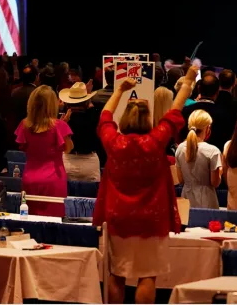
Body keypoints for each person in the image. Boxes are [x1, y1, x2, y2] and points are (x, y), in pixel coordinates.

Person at [94, 66, 196, 304]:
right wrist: (189, 80)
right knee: (147, 276)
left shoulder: (114, 143)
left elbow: (105, 117)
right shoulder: (155, 141)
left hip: (119, 218)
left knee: (116, 275)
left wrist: (119, 90)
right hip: (151, 220)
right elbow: (175, 110)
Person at [15, 85, 73, 217]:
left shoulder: (24, 124)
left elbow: (25, 147)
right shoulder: (59, 126)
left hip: (30, 179)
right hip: (53, 179)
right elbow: (68, 149)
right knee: (54, 223)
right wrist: (64, 127)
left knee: (30, 220)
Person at [176, 110, 222, 209]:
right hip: (207, 200)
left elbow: (181, 180)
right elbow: (215, 183)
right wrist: (220, 173)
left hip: (186, 200)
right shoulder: (213, 151)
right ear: (208, 128)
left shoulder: (180, 149)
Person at [58, 82, 101, 182]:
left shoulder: (62, 119)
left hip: (68, 161)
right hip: (90, 163)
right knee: (92, 196)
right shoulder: (95, 115)